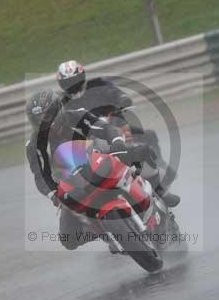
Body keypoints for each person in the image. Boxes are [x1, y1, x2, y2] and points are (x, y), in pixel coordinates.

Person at [56, 60, 180, 207]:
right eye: (68, 82)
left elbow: (115, 93)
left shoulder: (98, 86)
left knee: (147, 137)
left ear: (82, 76)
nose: (73, 85)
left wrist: (122, 99)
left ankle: (160, 185)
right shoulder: (62, 103)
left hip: (114, 126)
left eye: (75, 80)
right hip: (89, 139)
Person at [26, 89, 137, 250]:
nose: (44, 123)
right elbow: (40, 176)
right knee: (68, 238)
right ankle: (109, 232)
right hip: (71, 182)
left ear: (58, 110)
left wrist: (117, 142)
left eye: (47, 117)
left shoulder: (76, 116)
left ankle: (158, 193)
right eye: (39, 121)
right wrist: (54, 194)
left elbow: (105, 129)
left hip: (100, 159)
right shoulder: (34, 145)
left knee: (138, 155)